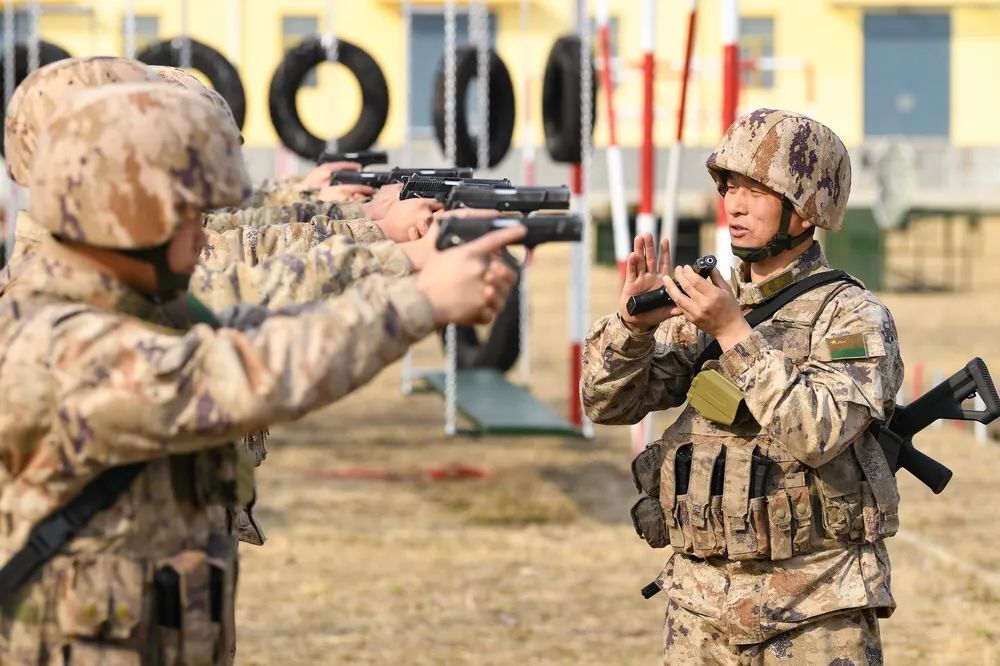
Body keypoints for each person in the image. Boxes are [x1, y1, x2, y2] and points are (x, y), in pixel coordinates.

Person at [0, 82, 522, 664]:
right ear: (128, 218)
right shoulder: (58, 339)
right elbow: (244, 371)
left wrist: (402, 266)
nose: (208, 232)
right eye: (188, 213)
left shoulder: (124, 303)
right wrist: (420, 299)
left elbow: (254, 320)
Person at [581, 108, 903, 664]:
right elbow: (608, 404)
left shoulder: (851, 317)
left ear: (807, 208)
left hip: (815, 608)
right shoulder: (705, 306)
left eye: (757, 189)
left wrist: (733, 332)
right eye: (730, 185)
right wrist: (632, 329)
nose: (735, 203)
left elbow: (818, 433)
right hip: (700, 611)